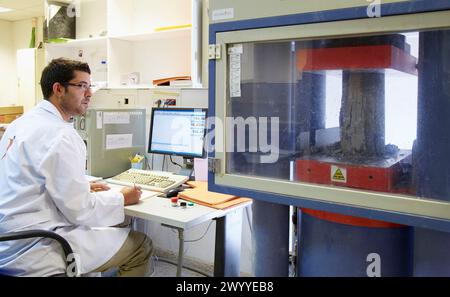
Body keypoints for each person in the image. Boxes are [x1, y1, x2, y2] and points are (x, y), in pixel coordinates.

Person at [0, 58, 153, 277]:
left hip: (8, 244)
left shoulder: (20, 124)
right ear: (58, 89)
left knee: (100, 236)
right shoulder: (61, 134)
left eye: (90, 86)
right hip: (40, 248)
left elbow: (28, 181)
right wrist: (122, 199)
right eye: (82, 86)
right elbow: (80, 211)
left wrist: (81, 188)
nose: (89, 93)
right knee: (140, 246)